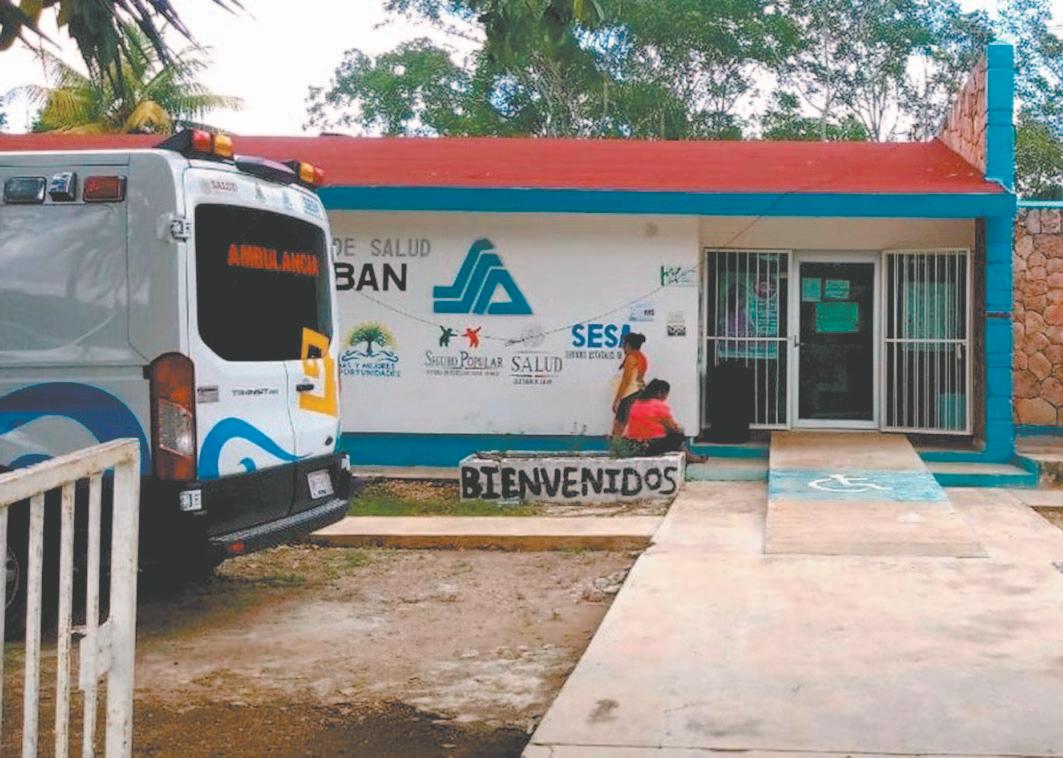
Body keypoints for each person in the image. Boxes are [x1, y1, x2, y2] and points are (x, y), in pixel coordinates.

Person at [624, 379, 706, 461]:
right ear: (660, 393)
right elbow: (672, 427)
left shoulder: (636, 403)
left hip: (634, 445)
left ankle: (689, 456)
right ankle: (690, 457)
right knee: (678, 435)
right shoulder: (659, 405)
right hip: (651, 446)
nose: (666, 398)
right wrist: (680, 428)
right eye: (666, 394)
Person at [611, 332, 647, 440]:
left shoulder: (631, 358)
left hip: (629, 395)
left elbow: (626, 381)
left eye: (623, 345)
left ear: (628, 345)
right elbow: (640, 379)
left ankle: (617, 448)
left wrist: (617, 399)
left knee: (618, 428)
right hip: (637, 393)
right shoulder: (642, 357)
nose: (622, 348)